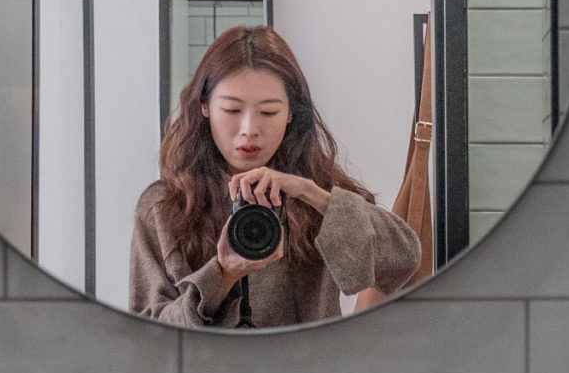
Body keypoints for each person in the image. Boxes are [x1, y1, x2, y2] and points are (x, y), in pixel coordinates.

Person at [129, 24, 422, 328]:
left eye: (268, 112)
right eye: (231, 110)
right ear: (204, 107)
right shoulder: (164, 206)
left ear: (291, 113)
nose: (249, 130)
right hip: (204, 362)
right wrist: (222, 275)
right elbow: (148, 334)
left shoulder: (317, 190)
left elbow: (403, 259)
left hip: (307, 360)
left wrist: (311, 193)